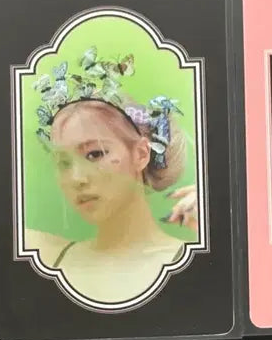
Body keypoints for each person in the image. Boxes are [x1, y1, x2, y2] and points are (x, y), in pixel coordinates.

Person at [25, 47, 199, 304]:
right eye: (63, 162)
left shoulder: (191, 260)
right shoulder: (45, 253)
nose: (77, 178)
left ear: (141, 154)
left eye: (95, 154)